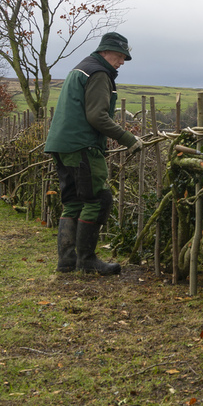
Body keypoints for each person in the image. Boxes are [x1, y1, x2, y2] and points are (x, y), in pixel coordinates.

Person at [44, 32, 143, 275]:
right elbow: (97, 116)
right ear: (105, 52)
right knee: (98, 200)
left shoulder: (81, 69)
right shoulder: (99, 73)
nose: (121, 62)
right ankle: (86, 260)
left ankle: (67, 260)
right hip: (82, 146)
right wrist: (129, 139)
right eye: (120, 56)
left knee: (73, 202)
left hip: (61, 144)